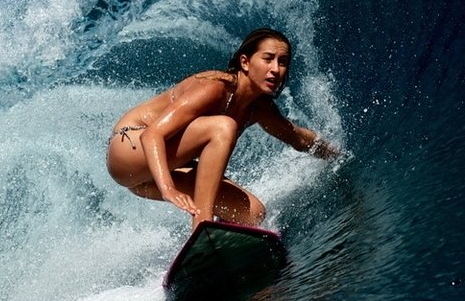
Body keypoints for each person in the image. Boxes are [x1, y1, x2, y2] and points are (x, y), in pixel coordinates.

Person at [107, 28, 339, 229]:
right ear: (245, 62)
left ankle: (215, 240)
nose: (276, 69)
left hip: (155, 173)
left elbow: (295, 136)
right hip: (130, 148)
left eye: (283, 62)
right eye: (268, 59)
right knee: (223, 126)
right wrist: (168, 189)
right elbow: (153, 134)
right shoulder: (214, 87)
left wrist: (336, 155)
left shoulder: (260, 108)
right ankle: (202, 225)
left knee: (253, 214)